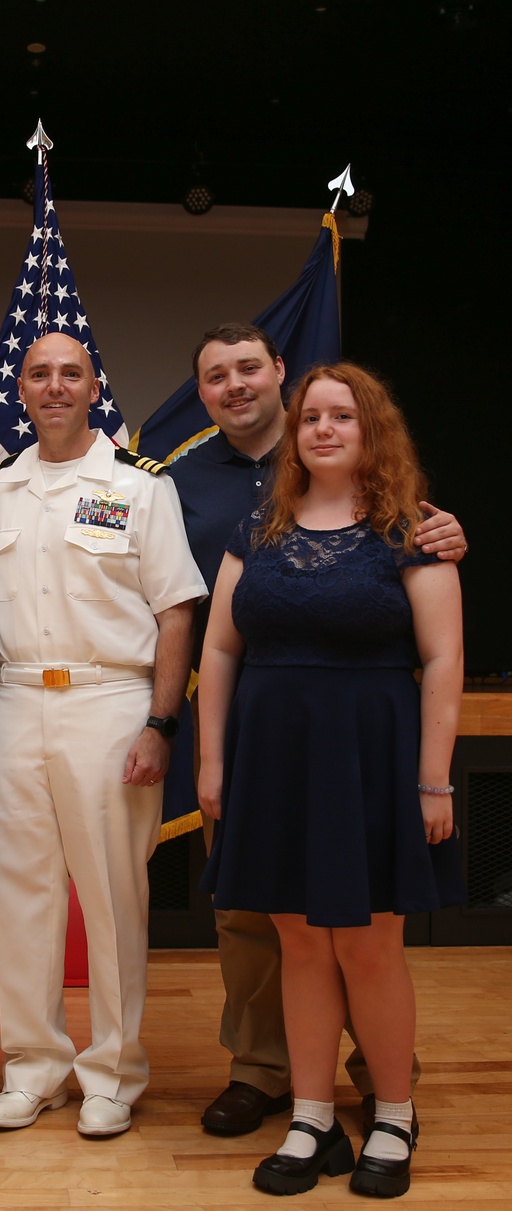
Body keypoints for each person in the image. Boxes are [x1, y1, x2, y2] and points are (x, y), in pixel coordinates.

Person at [167, 323, 467, 1138]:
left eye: (342, 416)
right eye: (314, 419)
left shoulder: (417, 528)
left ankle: (392, 1108)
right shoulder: (233, 513)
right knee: (290, 940)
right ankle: (303, 1111)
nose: (325, 429)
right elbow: (218, 644)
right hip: (271, 756)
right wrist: (211, 761)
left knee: (368, 945)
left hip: (368, 756)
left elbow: (443, 662)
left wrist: (435, 779)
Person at [0, 332, 206, 1137]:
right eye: (39, 373)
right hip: (12, 701)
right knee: (24, 892)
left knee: (110, 895)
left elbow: (177, 607)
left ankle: (112, 1071)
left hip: (109, 701)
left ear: (93, 385)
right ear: (22, 390)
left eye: (70, 372)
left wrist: (160, 720)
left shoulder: (140, 487)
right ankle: (33, 1067)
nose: (55, 386)